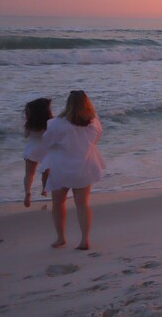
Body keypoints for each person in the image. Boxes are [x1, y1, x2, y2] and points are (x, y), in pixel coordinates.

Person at [41, 90, 106, 250]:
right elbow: (97, 138)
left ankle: (61, 238)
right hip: (85, 166)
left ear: (68, 104)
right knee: (82, 204)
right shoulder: (94, 122)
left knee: (58, 203)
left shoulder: (58, 123)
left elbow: (46, 142)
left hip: (61, 167)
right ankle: (84, 240)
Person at [22, 97, 52, 208]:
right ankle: (44, 190)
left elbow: (25, 136)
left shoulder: (30, 123)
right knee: (46, 172)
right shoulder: (50, 122)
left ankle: (27, 193)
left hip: (32, 150)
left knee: (29, 174)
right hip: (46, 150)